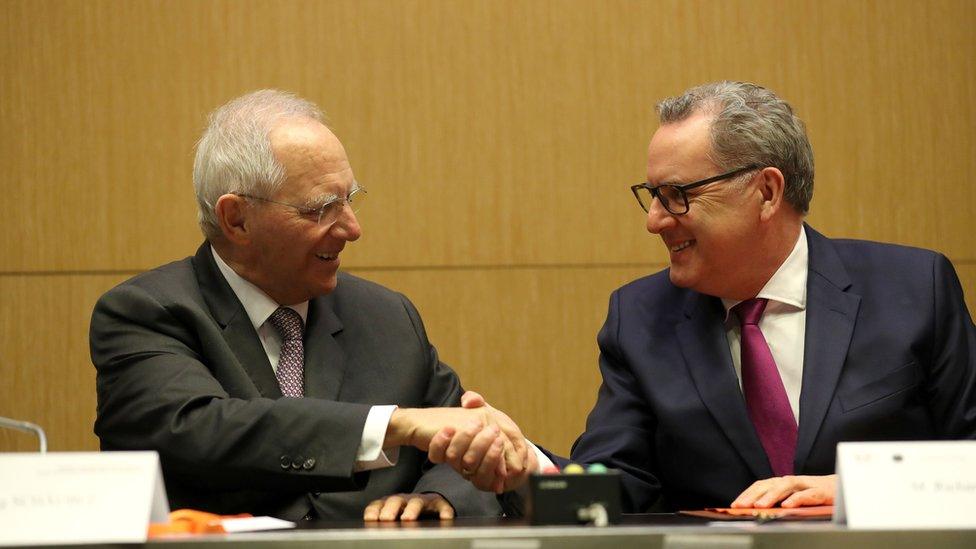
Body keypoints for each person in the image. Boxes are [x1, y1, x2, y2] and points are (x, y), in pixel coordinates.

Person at [433, 81, 976, 512]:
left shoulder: (912, 288)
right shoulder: (641, 318)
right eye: (652, 196)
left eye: (677, 196)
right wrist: (527, 467)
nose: (654, 221)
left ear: (766, 191)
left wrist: (857, 491)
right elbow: (618, 492)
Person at [90, 89, 533, 522]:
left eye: (349, 199)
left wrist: (443, 495)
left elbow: (458, 434)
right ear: (236, 219)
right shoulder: (146, 312)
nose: (352, 228)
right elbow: (201, 429)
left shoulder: (386, 316)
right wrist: (393, 426)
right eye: (321, 208)